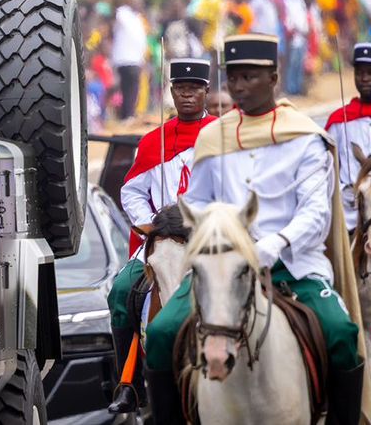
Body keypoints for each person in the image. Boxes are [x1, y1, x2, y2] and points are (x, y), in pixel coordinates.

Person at [144, 35, 364, 425]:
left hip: (293, 266)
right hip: (222, 267)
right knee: (161, 332)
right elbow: (196, 203)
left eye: (249, 77)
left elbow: (315, 214)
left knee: (342, 334)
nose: (239, 86)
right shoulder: (213, 138)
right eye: (233, 77)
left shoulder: (305, 138)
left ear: (274, 78)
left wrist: (272, 245)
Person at [105, 58, 214, 414]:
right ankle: (130, 384)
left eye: (194, 89)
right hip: (163, 239)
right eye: (180, 89)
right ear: (171, 92)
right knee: (121, 291)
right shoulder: (154, 142)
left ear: (206, 91)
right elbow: (131, 192)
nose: (187, 95)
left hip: (208, 238)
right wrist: (151, 223)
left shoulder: (222, 135)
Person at [328, 42, 371, 226]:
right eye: (359, 73)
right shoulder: (339, 120)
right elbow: (328, 167)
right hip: (350, 214)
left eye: (369, 73)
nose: (364, 78)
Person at [111, 0, 148, 120]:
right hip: (124, 58)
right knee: (127, 87)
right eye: (136, 2)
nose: (139, 5)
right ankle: (127, 115)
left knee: (133, 87)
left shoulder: (137, 18)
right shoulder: (123, 13)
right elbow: (116, 11)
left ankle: (129, 114)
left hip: (136, 59)